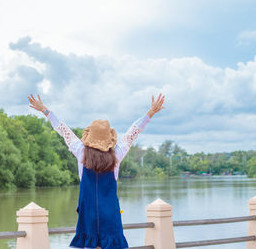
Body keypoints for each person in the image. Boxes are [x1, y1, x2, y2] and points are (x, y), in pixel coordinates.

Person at [28, 93, 165, 249]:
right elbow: (133, 132)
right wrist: (150, 113)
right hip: (110, 214)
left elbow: (62, 129)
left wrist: (45, 110)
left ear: (89, 137)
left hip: (88, 213)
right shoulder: (117, 155)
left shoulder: (81, 152)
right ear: (109, 139)